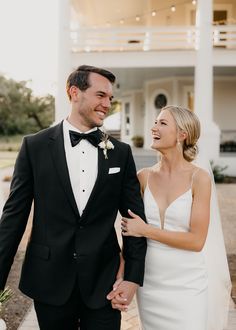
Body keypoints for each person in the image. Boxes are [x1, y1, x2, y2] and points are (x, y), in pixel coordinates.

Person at [0, 65, 147, 330]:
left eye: (110, 99)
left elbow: (134, 220)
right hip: (49, 279)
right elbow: (13, 218)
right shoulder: (34, 147)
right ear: (74, 92)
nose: (107, 104)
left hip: (104, 282)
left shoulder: (120, 153)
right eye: (100, 95)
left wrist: (132, 278)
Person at [121, 105, 231, 330]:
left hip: (188, 285)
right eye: (155, 122)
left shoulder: (199, 179)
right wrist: (122, 276)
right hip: (150, 283)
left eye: (162, 123)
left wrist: (146, 230)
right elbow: (130, 235)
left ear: (182, 135)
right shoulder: (143, 178)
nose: (154, 127)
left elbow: (196, 241)